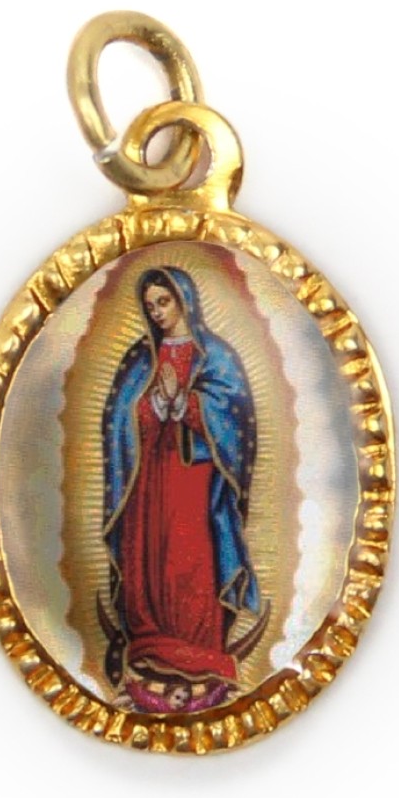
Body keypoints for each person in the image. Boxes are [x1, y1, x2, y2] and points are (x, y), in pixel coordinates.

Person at [100, 266, 260, 713]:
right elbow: (118, 419)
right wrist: (154, 403)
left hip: (195, 476)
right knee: (148, 555)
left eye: (164, 302)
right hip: (148, 475)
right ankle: (149, 652)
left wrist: (187, 403)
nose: (157, 312)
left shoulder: (216, 356)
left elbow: (235, 417)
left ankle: (200, 654)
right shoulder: (140, 357)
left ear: (184, 299)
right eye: (150, 306)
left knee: (189, 557)